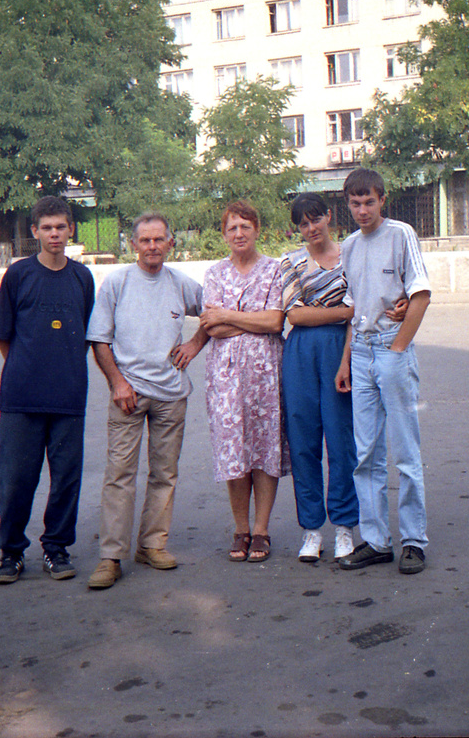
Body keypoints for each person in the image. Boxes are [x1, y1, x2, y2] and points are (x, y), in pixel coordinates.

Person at [85, 213, 209, 590]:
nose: (152, 247)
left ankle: (152, 544)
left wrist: (194, 344)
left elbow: (214, 313)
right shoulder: (117, 283)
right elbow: (100, 339)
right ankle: (111, 556)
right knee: (119, 475)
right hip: (129, 394)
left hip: (171, 394)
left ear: (171, 243)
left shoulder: (181, 284)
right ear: (133, 244)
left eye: (159, 240)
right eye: (145, 240)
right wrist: (117, 383)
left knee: (164, 474)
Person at [0, 196, 95, 584]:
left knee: (66, 478)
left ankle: (56, 548)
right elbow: (4, 337)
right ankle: (11, 553)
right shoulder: (18, 276)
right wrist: (27, 368)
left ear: (70, 230)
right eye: (47, 228)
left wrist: (61, 367)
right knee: (16, 479)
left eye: (61, 227)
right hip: (21, 398)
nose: (55, 234)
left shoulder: (82, 277)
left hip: (68, 397)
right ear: (34, 232)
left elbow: (84, 334)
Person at [334, 168, 432, 575]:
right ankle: (376, 540)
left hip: (391, 349)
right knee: (366, 453)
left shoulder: (400, 234)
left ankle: (413, 540)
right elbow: (353, 309)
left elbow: (421, 294)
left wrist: (398, 347)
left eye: (369, 201)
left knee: (405, 452)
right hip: (360, 351)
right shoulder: (350, 246)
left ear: (382, 200)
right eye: (355, 203)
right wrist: (346, 362)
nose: (362, 210)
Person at [200, 201, 289, 563]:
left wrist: (229, 316)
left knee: (266, 447)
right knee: (234, 448)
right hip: (225, 374)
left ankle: (263, 530)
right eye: (232, 228)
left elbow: (274, 322)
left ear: (257, 230)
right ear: (224, 234)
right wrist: (249, 318)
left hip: (267, 371)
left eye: (245, 227)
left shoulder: (274, 270)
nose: (239, 234)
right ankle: (241, 528)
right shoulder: (215, 273)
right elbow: (212, 325)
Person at [278, 193, 359, 562]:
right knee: (303, 440)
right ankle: (312, 530)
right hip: (299, 354)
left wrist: (341, 315)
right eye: (303, 224)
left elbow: (359, 311)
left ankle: (344, 527)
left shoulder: (351, 256)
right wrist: (342, 311)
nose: (311, 228)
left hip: (339, 352)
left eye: (316, 219)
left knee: (340, 440)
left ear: (329, 216)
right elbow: (294, 316)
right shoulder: (291, 261)